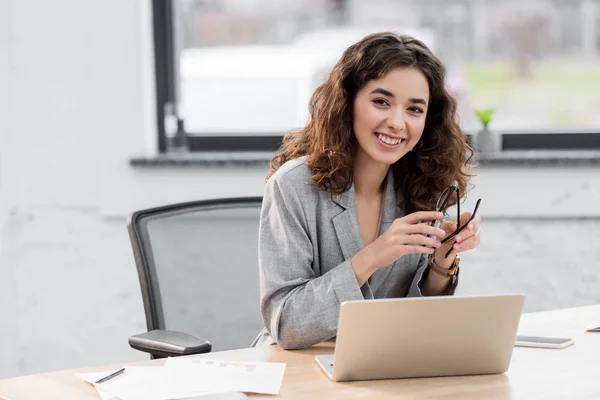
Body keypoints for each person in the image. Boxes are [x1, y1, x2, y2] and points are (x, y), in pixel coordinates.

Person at [252, 32, 480, 350]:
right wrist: (373, 256)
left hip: (383, 364)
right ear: (348, 103)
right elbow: (287, 324)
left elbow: (415, 317)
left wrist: (442, 262)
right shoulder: (293, 187)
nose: (397, 122)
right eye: (381, 102)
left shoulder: (420, 184)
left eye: (414, 110)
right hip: (301, 369)